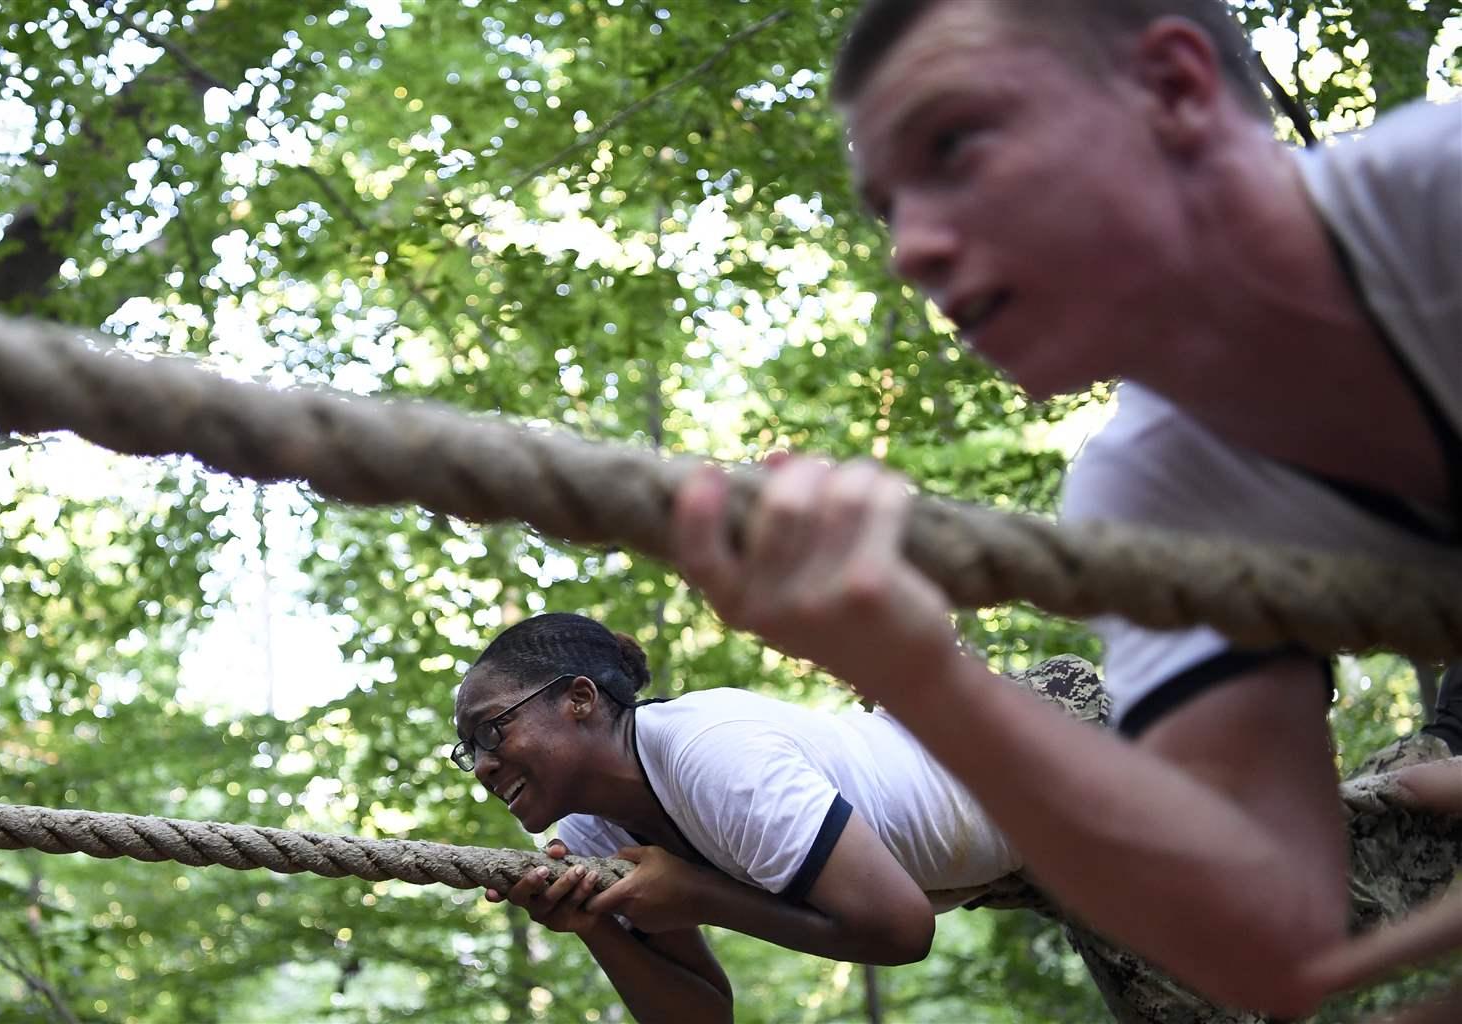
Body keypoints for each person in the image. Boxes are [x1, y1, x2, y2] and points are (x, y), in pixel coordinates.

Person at [666, 0, 1462, 1017]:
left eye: (952, 145)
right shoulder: (1150, 496)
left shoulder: (1439, 201)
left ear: (1171, 90)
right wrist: (905, 669)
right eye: (887, 208)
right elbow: (1269, 937)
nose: (907, 249)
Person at [449, 611, 1031, 1022]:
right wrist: (594, 924)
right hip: (1006, 865)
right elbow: (702, 1016)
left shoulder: (711, 754)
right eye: (467, 750)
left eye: (491, 729)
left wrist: (699, 897)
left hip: (1045, 756)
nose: (481, 766)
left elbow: (904, 933)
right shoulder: (593, 837)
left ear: (580, 699)